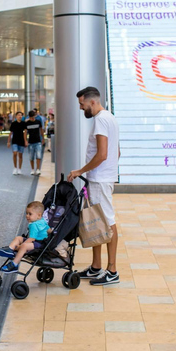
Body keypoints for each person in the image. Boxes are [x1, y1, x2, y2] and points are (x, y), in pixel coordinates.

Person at [68, 87, 120, 286]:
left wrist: (80, 171)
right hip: (100, 177)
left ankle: (112, 270)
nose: (81, 108)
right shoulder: (110, 117)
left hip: (100, 179)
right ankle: (96, 266)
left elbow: (102, 154)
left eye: (82, 104)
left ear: (92, 102)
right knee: (98, 220)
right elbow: (117, 152)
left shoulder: (100, 120)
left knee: (107, 221)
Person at [0, 201, 50, 273]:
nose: (27, 216)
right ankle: (10, 249)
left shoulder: (34, 225)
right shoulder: (43, 221)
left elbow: (31, 239)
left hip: (38, 244)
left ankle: (14, 264)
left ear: (39, 215)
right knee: (19, 238)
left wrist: (19, 246)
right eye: (27, 213)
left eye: (30, 214)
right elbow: (49, 230)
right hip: (40, 241)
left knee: (24, 246)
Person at [25, 110, 45, 176]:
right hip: (30, 142)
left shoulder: (38, 122)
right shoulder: (27, 123)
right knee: (31, 157)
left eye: (33, 117)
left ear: (35, 116)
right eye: (31, 117)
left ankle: (38, 169)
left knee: (38, 156)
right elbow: (25, 132)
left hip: (38, 141)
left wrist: (43, 139)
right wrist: (25, 140)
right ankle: (32, 169)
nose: (32, 119)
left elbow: (41, 131)